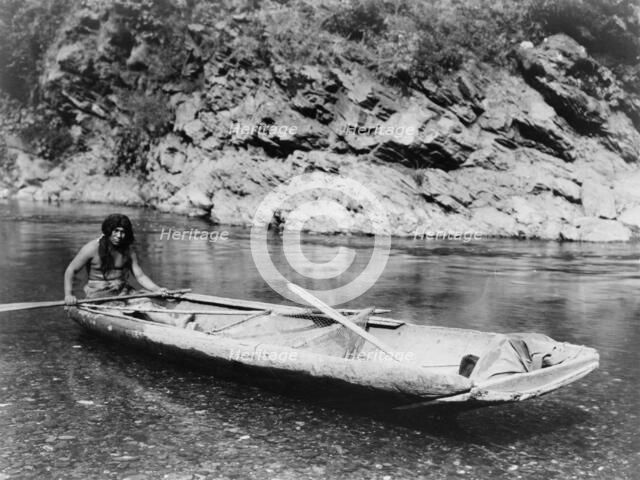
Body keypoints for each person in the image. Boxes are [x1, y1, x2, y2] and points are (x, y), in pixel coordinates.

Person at [63, 214, 192, 327]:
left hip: (124, 292)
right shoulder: (91, 248)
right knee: (117, 315)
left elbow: (140, 276)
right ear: (108, 230)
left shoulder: (128, 250)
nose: (119, 236)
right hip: (99, 295)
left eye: (123, 232)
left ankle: (176, 324)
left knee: (146, 304)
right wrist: (69, 295)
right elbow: (71, 270)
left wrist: (157, 289)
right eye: (116, 231)